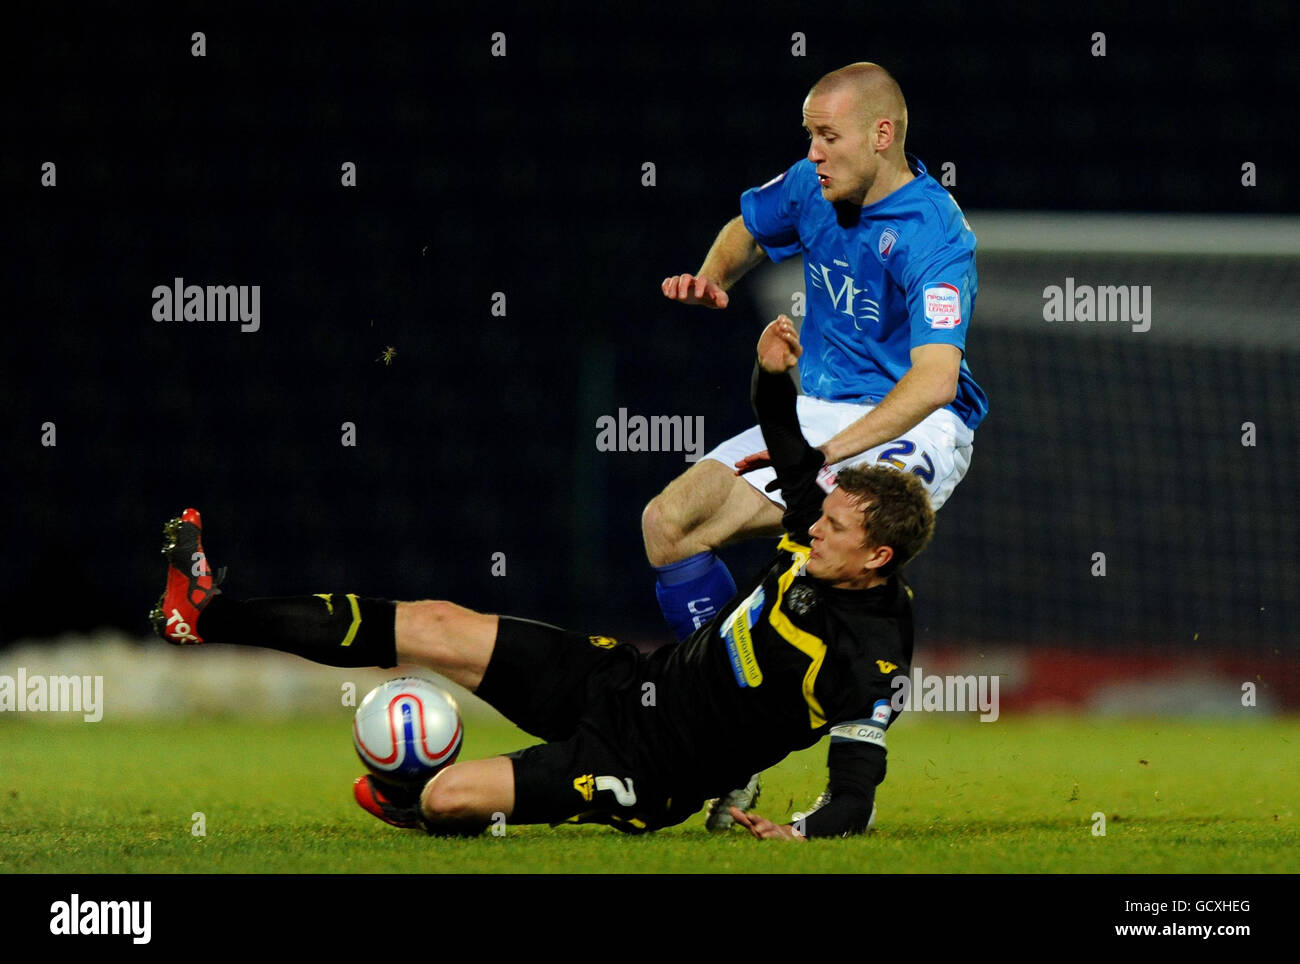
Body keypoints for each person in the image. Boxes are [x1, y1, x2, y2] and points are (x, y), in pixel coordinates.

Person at [150, 318, 935, 840]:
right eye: (825, 516)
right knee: (432, 622)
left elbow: (855, 796)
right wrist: (769, 371)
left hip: (650, 772)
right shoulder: (821, 526)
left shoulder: (871, 656)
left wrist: (799, 832)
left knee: (443, 798)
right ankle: (207, 616)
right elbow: (782, 431)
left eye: (836, 528)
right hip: (628, 682)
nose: (814, 525)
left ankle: (444, 802)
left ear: (877, 560)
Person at [646, 61, 987, 646]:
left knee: (835, 539)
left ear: (881, 136)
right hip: (821, 410)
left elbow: (935, 381)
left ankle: (864, 702)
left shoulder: (935, 233)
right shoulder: (813, 184)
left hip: (920, 422)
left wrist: (820, 457)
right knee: (669, 523)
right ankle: (714, 691)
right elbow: (747, 228)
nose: (813, 153)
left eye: (828, 137)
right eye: (810, 136)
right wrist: (714, 276)